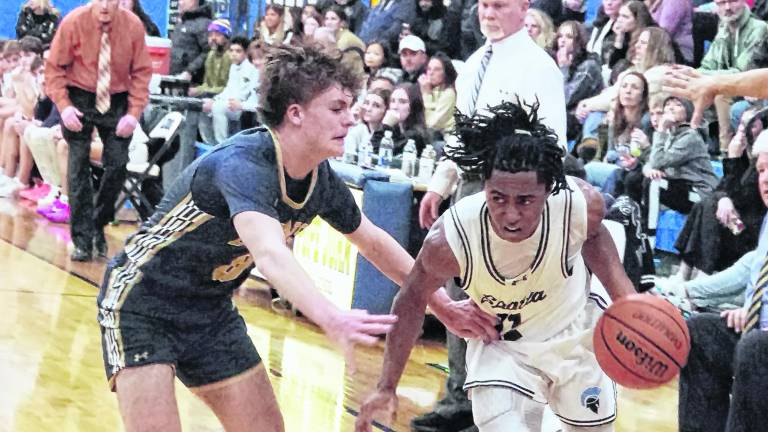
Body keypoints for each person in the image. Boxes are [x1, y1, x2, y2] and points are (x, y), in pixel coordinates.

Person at [96, 43, 481, 431]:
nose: (351, 119)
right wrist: (329, 316)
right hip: (141, 304)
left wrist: (442, 303)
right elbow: (270, 254)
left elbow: (374, 242)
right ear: (295, 113)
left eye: (350, 107)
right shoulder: (243, 165)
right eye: (336, 109)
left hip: (209, 312)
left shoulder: (321, 178)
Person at [355, 100, 636, 432]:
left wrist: (628, 300)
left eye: (525, 200)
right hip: (505, 345)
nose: (511, 214)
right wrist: (386, 386)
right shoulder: (451, 237)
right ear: (484, 186)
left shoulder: (581, 204)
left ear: (547, 191)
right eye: (498, 198)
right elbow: (411, 298)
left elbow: (595, 236)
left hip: (573, 333)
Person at [413, 1, 567, 430]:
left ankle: (496, 409)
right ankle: (459, 399)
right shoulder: (476, 62)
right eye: (483, 4)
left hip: (510, 193)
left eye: (499, 4)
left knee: (499, 302)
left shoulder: (539, 66)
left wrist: (521, 203)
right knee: (461, 292)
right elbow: (462, 135)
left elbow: (553, 146)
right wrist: (442, 183)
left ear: (523, 8)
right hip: (468, 187)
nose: (488, 12)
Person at [45, 0, 152, 261]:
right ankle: (82, 240)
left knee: (117, 165)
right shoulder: (73, 21)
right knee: (78, 166)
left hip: (116, 99)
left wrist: (133, 113)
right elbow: (54, 68)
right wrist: (65, 106)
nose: (104, 5)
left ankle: (97, 224)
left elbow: (141, 73)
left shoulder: (133, 26)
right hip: (79, 96)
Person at [677, 130, 768, 432]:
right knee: (701, 332)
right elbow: (750, 270)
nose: (765, 178)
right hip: (759, 334)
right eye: (761, 170)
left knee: (756, 348)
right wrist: (686, 291)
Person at [199, 36, 260, 145]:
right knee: (204, 104)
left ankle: (221, 143)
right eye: (231, 51)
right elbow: (229, 88)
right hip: (231, 102)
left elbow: (242, 94)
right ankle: (209, 142)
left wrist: (217, 102)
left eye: (238, 51)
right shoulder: (233, 67)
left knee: (218, 107)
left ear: (246, 53)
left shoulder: (251, 68)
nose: (234, 54)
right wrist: (215, 99)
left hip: (242, 105)